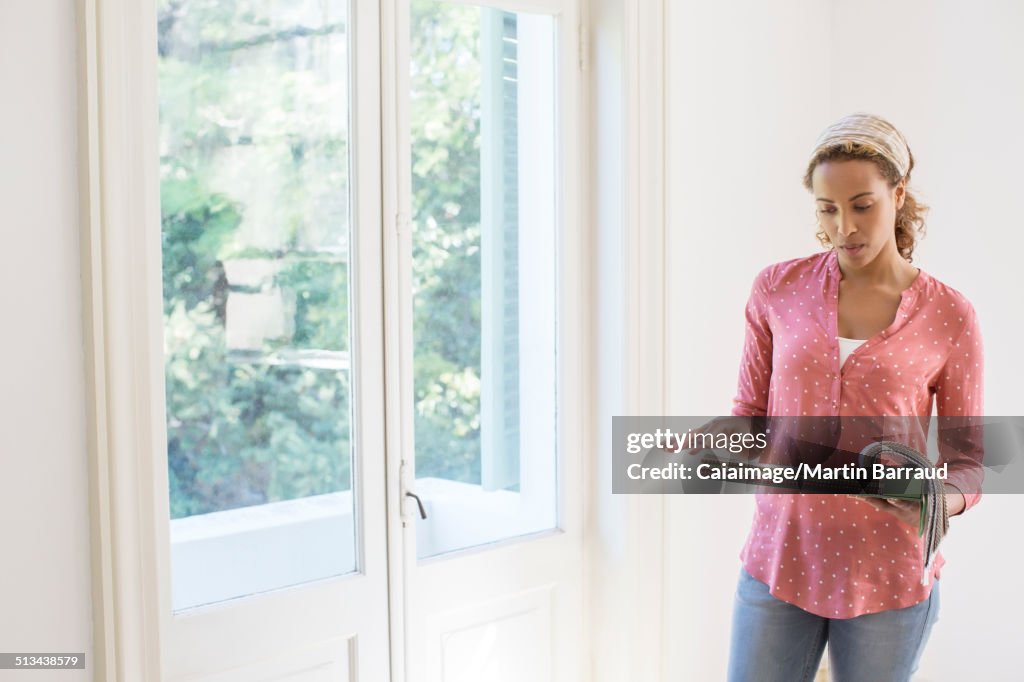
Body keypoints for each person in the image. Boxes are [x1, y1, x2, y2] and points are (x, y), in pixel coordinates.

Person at [725, 112, 984, 682]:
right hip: (778, 559)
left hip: (888, 575)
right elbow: (749, 415)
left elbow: (969, 463)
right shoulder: (777, 287)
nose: (845, 226)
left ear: (897, 193)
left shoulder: (950, 315)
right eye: (827, 208)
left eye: (862, 205)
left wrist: (936, 497)